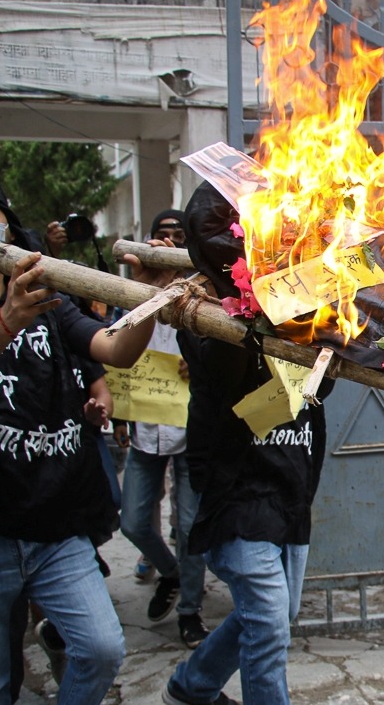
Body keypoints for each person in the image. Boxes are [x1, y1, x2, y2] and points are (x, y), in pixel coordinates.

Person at [0, 165, 174, 704]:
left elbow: (115, 349)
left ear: (7, 225)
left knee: (100, 649)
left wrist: (150, 297)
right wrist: (6, 320)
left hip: (55, 523)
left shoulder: (50, 297)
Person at [162, 182, 333, 705]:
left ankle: (191, 687)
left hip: (291, 479)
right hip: (236, 487)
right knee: (268, 621)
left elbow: (322, 386)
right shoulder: (200, 307)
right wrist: (257, 302)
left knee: (277, 614)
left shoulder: (312, 297)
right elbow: (230, 378)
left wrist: (326, 309)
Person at [118, 209, 210, 649]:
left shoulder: (208, 292)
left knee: (190, 526)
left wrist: (201, 364)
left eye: (179, 235)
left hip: (191, 431)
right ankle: (169, 572)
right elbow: (115, 349)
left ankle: (190, 610)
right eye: (162, 235)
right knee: (134, 521)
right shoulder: (131, 291)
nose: (169, 241)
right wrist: (119, 415)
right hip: (145, 430)